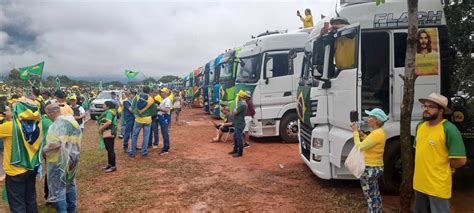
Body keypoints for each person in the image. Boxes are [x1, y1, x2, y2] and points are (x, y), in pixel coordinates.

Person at [413, 93, 466, 212]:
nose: (426, 109)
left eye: (431, 107)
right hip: (419, 183)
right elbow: (420, 151)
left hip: (437, 186)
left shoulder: (449, 129)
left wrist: (445, 167)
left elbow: (460, 160)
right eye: (425, 106)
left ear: (441, 110)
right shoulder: (420, 126)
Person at [0, 97, 45, 212]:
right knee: (30, 199)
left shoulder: (10, 126)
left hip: (15, 171)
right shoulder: (38, 124)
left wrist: (8, 118)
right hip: (32, 167)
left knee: (17, 204)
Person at [43, 104, 81, 213]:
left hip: (58, 161)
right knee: (70, 184)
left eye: (47, 114)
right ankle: (72, 209)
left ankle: (63, 211)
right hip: (72, 158)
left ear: (50, 113)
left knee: (59, 189)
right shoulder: (72, 121)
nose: (48, 117)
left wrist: (44, 150)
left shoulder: (56, 126)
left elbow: (56, 144)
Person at [351, 108, 388, 213]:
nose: (368, 118)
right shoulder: (379, 132)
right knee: (375, 194)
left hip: (369, 169)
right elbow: (370, 141)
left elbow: (360, 147)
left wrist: (355, 133)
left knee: (370, 198)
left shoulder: (376, 134)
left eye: (370, 116)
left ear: (376, 120)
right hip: (376, 167)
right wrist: (361, 134)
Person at [130, 86, 156, 157]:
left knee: (134, 136)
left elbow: (131, 109)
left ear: (142, 90)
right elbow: (153, 111)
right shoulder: (151, 99)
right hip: (147, 120)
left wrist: (136, 114)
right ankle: (144, 152)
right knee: (146, 136)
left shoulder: (136, 97)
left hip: (138, 120)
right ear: (149, 91)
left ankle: (132, 152)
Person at [98, 101, 118, 172]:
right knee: (109, 149)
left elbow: (109, 122)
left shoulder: (109, 112)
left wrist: (101, 128)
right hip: (110, 132)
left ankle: (113, 166)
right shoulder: (111, 111)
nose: (103, 106)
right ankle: (110, 164)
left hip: (109, 132)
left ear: (108, 106)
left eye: (104, 105)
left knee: (110, 149)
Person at [228, 90, 248, 157]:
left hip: (240, 123)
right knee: (235, 137)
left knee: (239, 138)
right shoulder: (241, 103)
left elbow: (235, 113)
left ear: (240, 96)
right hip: (238, 122)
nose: (238, 97)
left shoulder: (242, 104)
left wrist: (234, 109)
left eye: (238, 96)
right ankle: (235, 150)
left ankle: (240, 152)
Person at [157, 88, 172, 155]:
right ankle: (166, 146)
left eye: (162, 92)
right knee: (164, 132)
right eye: (161, 92)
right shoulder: (164, 100)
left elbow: (167, 110)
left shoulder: (167, 100)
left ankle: (165, 149)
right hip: (162, 117)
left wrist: (159, 108)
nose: (161, 93)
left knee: (165, 133)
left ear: (166, 93)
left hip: (164, 117)